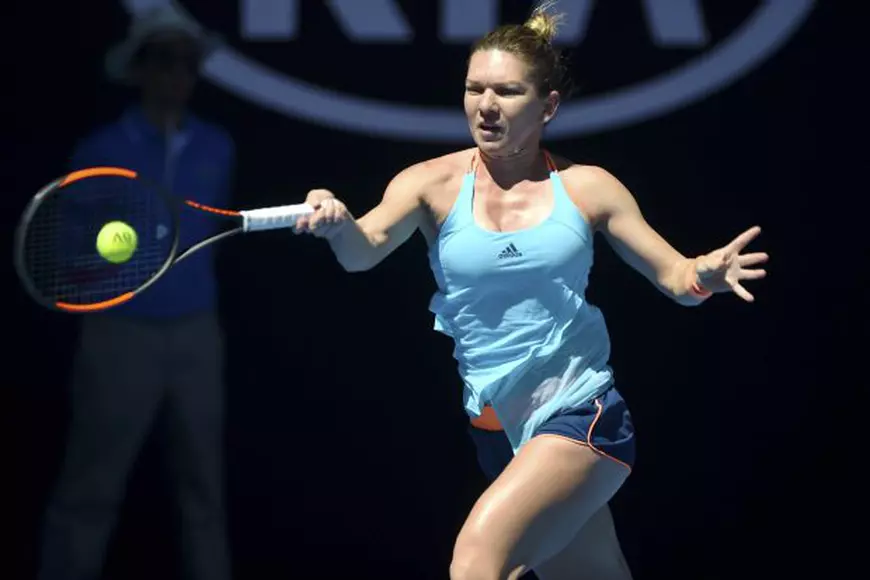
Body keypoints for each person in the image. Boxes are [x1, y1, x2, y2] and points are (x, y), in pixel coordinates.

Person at [295, 6, 768, 580]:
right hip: (497, 433)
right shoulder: (429, 185)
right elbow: (360, 252)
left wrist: (705, 274)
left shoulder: (589, 188)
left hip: (581, 416)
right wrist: (338, 222)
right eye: (474, 88)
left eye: (506, 91)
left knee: (475, 564)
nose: (485, 105)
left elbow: (677, 279)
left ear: (547, 105)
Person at [37, 8, 235, 580]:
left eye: (187, 63)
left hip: (197, 335)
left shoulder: (217, 147)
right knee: (91, 487)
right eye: (165, 60)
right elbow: (67, 251)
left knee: (204, 492)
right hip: (120, 336)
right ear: (141, 69)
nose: (178, 73)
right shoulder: (99, 149)